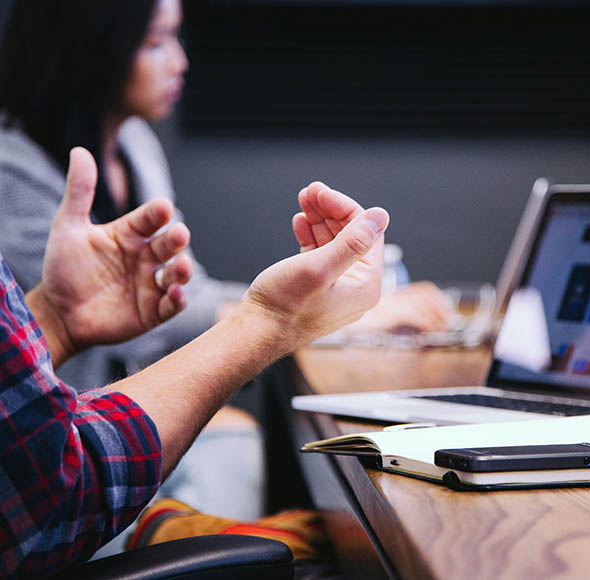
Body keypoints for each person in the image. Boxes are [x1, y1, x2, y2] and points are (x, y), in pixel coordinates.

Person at [0, 145, 389, 578]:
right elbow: (55, 489)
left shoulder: (135, 141)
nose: (182, 70)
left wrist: (54, 321)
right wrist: (269, 322)